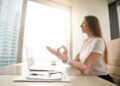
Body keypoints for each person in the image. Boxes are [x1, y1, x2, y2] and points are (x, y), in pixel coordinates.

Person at [46, 15, 114, 83]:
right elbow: (76, 62)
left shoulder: (98, 41)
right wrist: (61, 57)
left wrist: (66, 59)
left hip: (101, 79)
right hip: (88, 77)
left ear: (92, 25)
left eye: (84, 23)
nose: (80, 25)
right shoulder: (85, 42)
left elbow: (85, 66)